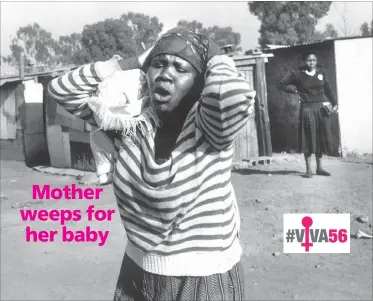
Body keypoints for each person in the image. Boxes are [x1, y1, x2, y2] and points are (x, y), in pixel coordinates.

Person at [48, 26, 256, 301]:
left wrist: (211, 52)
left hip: (203, 281)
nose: (166, 73)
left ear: (199, 83)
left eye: (181, 69)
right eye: (158, 64)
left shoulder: (209, 131)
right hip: (138, 272)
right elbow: (61, 89)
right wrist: (133, 61)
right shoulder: (128, 125)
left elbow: (232, 95)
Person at [277, 51, 338, 178]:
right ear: (304, 61)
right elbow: (280, 84)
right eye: (309, 60)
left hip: (321, 109)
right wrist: (292, 89)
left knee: (320, 137)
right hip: (307, 109)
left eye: (314, 60)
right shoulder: (297, 73)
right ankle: (308, 170)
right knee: (308, 138)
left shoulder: (322, 73)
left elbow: (328, 88)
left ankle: (320, 168)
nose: (311, 63)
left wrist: (335, 102)